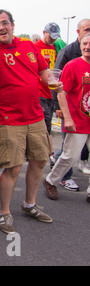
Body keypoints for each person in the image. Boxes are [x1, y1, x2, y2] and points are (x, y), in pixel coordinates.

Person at [0, 9, 62, 234]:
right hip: (10, 119)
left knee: (39, 161)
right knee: (13, 167)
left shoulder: (29, 45)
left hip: (36, 116)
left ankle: (29, 204)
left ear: (13, 25)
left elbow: (44, 73)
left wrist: (55, 82)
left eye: (5, 23)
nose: (1, 27)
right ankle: (4, 212)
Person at [43, 33, 90, 203]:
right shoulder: (73, 65)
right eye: (84, 43)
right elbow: (62, 92)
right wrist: (67, 118)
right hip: (79, 120)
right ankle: (51, 180)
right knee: (70, 156)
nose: (87, 47)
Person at [52, 19, 90, 187]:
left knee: (73, 149)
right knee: (69, 151)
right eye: (87, 30)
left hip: (86, 114)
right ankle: (63, 178)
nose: (87, 45)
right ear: (78, 31)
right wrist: (59, 108)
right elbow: (57, 82)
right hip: (71, 112)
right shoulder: (69, 53)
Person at [34, 23, 61, 174]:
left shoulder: (55, 47)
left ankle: (45, 153)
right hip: (38, 91)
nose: (52, 40)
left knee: (47, 123)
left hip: (50, 91)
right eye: (51, 36)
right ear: (44, 33)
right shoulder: (35, 46)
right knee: (44, 123)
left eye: (55, 37)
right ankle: (48, 154)